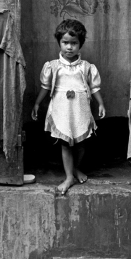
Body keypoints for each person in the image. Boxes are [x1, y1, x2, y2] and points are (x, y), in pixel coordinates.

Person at [31, 19, 106, 194]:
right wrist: (36, 103)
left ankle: (75, 168)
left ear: (80, 44)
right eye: (65, 43)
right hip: (62, 110)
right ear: (59, 43)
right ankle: (69, 177)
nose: (69, 47)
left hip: (80, 110)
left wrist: (101, 103)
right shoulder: (53, 66)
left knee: (81, 143)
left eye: (74, 43)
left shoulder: (87, 67)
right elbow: (46, 87)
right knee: (65, 143)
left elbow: (94, 87)